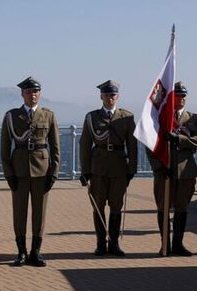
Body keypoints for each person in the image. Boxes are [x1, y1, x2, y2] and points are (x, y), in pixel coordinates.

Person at [0, 76, 60, 267]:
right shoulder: (11, 116)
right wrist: (9, 174)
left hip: (41, 171)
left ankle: (35, 252)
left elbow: (55, 147)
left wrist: (54, 172)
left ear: (40, 94)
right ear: (22, 94)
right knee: (19, 213)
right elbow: (4, 148)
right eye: (28, 92)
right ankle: (21, 251)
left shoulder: (48, 115)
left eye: (35, 91)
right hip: (19, 171)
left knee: (39, 213)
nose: (32, 95)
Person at [79, 80, 137, 256]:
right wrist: (85, 171)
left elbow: (132, 146)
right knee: (98, 206)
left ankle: (114, 244)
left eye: (113, 95)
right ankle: (100, 243)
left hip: (119, 168)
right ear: (101, 96)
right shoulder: (92, 117)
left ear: (117, 96)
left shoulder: (126, 117)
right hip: (98, 169)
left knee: (116, 206)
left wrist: (131, 170)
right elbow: (85, 145)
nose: (110, 98)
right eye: (107, 95)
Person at [147, 81, 196, 256]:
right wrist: (158, 167)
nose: (181, 99)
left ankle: (178, 244)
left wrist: (178, 139)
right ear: (171, 97)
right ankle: (165, 244)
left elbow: (195, 142)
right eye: (178, 95)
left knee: (182, 208)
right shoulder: (161, 118)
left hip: (185, 171)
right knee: (163, 208)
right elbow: (150, 143)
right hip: (164, 171)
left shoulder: (193, 118)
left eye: (184, 96)